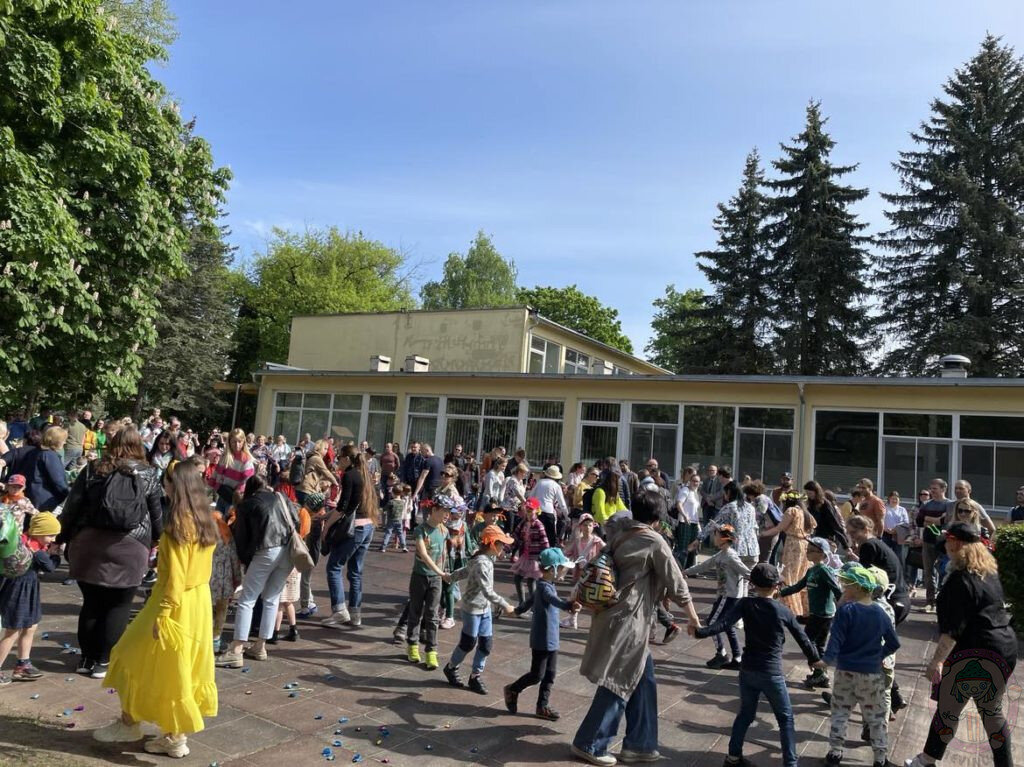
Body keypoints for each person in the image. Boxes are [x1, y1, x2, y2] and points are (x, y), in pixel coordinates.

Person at [92, 461, 219, 758]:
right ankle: (171, 735)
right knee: (179, 668)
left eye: (167, 481)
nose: (164, 486)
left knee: (128, 653)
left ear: (176, 486)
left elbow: (176, 576)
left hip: (173, 602)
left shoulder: (178, 526)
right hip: (197, 601)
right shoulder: (205, 520)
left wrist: (163, 613)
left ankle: (134, 724)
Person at [572, 489, 701, 766]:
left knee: (644, 680)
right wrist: (693, 617)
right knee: (619, 679)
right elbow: (677, 583)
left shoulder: (620, 532)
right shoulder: (653, 540)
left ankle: (640, 745)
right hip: (629, 619)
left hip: (612, 613)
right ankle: (590, 742)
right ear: (658, 517)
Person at [904, 521, 1017, 767]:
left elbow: (952, 630)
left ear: (955, 543)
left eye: (948, 540)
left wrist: (936, 661)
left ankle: (926, 760)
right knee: (991, 711)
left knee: (949, 708)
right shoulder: (988, 573)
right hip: (1003, 647)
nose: (945, 544)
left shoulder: (960, 580)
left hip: (977, 651)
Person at [691, 563, 824, 767]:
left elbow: (723, 624)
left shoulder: (745, 604)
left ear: (752, 584)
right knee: (785, 718)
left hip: (748, 671)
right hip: (771, 673)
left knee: (745, 715)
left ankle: (733, 758)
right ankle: (790, 763)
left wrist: (700, 632)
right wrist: (815, 660)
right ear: (776, 586)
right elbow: (803, 639)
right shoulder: (783, 610)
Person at [57, 427, 163, 679]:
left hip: (88, 544)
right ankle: (103, 661)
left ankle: (86, 658)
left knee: (91, 603)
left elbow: (72, 506)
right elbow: (157, 514)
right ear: (139, 446)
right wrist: (157, 539)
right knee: (119, 605)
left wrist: (63, 538)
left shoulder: (93, 469)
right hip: (131, 546)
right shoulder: (148, 473)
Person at [822, 565, 900, 767]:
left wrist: (826, 661)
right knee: (876, 717)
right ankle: (880, 758)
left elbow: (835, 639)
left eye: (847, 585)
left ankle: (835, 752)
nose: (844, 588)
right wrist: (878, 656)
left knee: (840, 712)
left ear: (857, 587)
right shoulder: (881, 614)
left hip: (845, 671)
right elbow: (894, 643)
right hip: (871, 674)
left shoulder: (846, 611)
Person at [216, 475, 297, 668]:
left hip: (266, 550)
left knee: (247, 599)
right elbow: (295, 521)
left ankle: (236, 649)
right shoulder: (281, 497)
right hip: (287, 550)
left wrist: (245, 560)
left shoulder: (247, 505)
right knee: (272, 598)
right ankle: (260, 646)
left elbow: (242, 538)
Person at [505, 547, 580, 721]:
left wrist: (518, 610)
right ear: (553, 569)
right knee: (537, 675)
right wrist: (569, 606)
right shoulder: (545, 588)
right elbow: (555, 601)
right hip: (542, 639)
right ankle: (513, 689)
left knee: (550, 673)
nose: (564, 571)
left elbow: (528, 602)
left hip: (551, 637)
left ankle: (542, 706)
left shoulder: (546, 585)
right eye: (562, 568)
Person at [443, 524, 516, 695]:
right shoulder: (481, 562)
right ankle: (451, 667)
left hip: (485, 609)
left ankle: (475, 676)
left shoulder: (488, 558)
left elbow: (466, 570)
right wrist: (505, 605)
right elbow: (487, 590)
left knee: (486, 644)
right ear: (492, 544)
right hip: (472, 609)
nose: (504, 547)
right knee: (468, 642)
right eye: (501, 543)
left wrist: (451, 577)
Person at [320, 444, 379, 628]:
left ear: (347, 459)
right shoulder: (364, 474)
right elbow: (352, 505)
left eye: (339, 457)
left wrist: (326, 527)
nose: (337, 460)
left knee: (334, 567)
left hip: (355, 528)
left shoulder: (349, 475)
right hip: (368, 525)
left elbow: (343, 507)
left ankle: (339, 611)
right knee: (355, 571)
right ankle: (355, 613)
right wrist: (327, 516)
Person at [0, 511, 61, 684]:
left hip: (22, 590)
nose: (53, 539)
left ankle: (23, 664)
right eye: (50, 535)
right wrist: (55, 555)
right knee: (12, 631)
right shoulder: (36, 551)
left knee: (31, 626)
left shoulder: (23, 540)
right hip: (20, 593)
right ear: (39, 532)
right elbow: (49, 567)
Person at [684, 524, 750, 670]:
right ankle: (737, 658)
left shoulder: (731, 556)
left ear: (723, 539)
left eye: (716, 535)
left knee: (712, 622)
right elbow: (704, 565)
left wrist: (762, 582)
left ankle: (721, 654)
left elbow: (746, 572)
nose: (713, 537)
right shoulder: (721, 555)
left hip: (729, 596)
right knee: (727, 626)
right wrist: (686, 572)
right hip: (725, 595)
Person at [779, 537, 841, 689]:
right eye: (807, 550)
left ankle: (819, 673)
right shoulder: (811, 570)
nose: (807, 552)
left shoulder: (824, 571)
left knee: (807, 642)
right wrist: (781, 592)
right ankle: (821, 675)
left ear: (822, 554)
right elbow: (798, 586)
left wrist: (845, 607)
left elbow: (836, 589)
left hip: (824, 614)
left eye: (811, 551)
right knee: (817, 645)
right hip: (815, 613)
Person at [404, 499, 450, 670]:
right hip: (420, 577)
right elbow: (423, 554)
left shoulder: (444, 530)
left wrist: (444, 571)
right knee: (415, 611)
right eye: (444, 511)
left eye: (448, 511)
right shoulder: (421, 530)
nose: (447, 515)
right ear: (434, 510)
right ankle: (412, 645)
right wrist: (440, 572)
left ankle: (431, 651)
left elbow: (444, 553)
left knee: (432, 614)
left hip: (436, 579)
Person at [847, 514, 910, 625]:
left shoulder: (868, 545)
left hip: (890, 601)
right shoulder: (877, 544)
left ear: (866, 529)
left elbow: (863, 578)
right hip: (900, 599)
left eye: (854, 532)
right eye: (849, 533)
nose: (851, 536)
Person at [760, 495, 814, 616]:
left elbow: (779, 528)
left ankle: (791, 608)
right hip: (804, 544)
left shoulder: (792, 511)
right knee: (800, 575)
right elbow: (812, 528)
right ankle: (803, 608)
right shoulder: (805, 512)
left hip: (793, 545)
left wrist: (762, 534)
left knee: (789, 575)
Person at [3, 428, 69, 512]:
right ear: (57, 441)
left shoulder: (36, 451)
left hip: (32, 495)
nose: (65, 442)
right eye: (64, 440)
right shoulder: (50, 455)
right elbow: (58, 481)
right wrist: (68, 495)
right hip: (44, 500)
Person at [561, 513, 604, 630]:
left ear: (593, 526)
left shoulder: (597, 541)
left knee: (590, 599)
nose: (587, 528)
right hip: (580, 574)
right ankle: (573, 620)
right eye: (585, 525)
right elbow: (567, 553)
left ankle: (594, 623)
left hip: (593, 575)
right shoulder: (577, 541)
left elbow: (606, 551)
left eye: (590, 525)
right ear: (580, 526)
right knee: (576, 598)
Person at [917, 478, 950, 613]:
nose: (932, 491)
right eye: (931, 489)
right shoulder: (926, 504)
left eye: (935, 488)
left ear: (943, 489)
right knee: (928, 572)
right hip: (928, 541)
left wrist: (929, 520)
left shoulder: (949, 505)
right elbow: (919, 521)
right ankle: (930, 601)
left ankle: (942, 600)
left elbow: (947, 521)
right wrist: (937, 520)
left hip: (944, 543)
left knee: (945, 571)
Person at [512, 497, 549, 608]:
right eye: (527, 509)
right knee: (517, 578)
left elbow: (544, 541)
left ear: (537, 510)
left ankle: (534, 606)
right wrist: (507, 549)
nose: (528, 512)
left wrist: (546, 559)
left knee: (531, 582)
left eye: (531, 510)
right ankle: (522, 604)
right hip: (525, 556)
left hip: (534, 558)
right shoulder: (523, 523)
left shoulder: (538, 525)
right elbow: (515, 537)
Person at [211, 428, 255, 514]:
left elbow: (247, 480)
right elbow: (218, 471)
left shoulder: (246, 459)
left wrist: (237, 493)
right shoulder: (225, 456)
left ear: (243, 442)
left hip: (233, 499)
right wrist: (214, 484)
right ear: (229, 442)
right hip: (222, 494)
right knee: (217, 520)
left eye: (239, 441)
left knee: (229, 520)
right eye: (234, 442)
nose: (237, 444)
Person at [529, 464, 568, 549]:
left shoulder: (540, 482)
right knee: (550, 536)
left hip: (538, 511)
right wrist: (567, 517)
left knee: (537, 534)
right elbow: (562, 504)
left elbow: (531, 497)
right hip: (549, 512)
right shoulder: (556, 486)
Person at [804, 480, 849, 553]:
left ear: (816, 492)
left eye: (810, 493)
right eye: (807, 493)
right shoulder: (811, 505)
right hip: (817, 535)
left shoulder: (825, 505)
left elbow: (835, 524)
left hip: (828, 536)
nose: (809, 495)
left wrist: (845, 545)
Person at [673, 472, 702, 569]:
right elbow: (679, 504)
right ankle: (679, 569)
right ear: (690, 481)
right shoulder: (685, 490)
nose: (695, 483)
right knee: (683, 547)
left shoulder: (696, 493)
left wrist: (698, 525)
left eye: (697, 481)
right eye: (694, 481)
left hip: (694, 523)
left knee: (692, 548)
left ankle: (689, 570)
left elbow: (696, 511)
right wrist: (684, 515)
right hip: (684, 522)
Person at [298, 439, 337, 507]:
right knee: (307, 511)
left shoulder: (311, 456)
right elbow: (326, 472)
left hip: (302, 488)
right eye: (325, 448)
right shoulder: (317, 458)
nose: (326, 451)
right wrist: (335, 482)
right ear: (320, 448)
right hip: (307, 489)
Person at [380, 482, 409, 552]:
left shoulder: (391, 502)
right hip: (399, 520)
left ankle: (383, 547)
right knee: (400, 533)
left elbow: (385, 509)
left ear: (393, 493)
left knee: (388, 533)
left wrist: (382, 510)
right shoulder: (402, 502)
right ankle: (404, 547)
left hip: (391, 519)